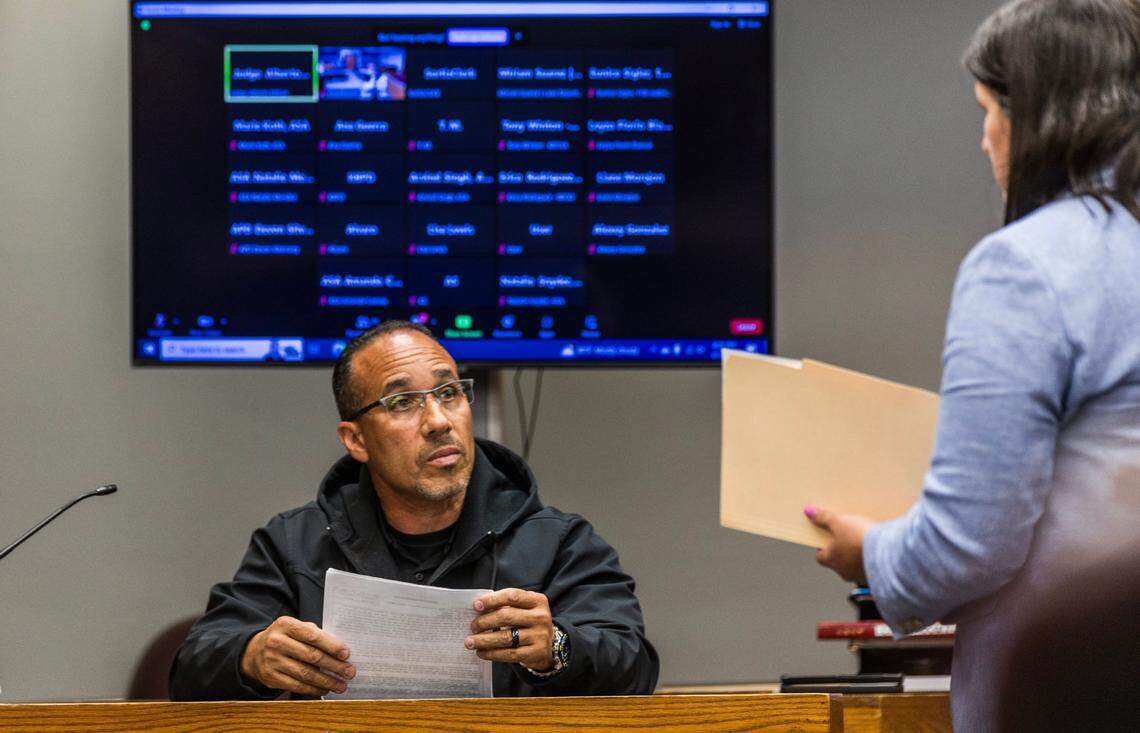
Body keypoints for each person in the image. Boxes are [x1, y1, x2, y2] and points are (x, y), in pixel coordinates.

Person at [805, 0, 1140, 729]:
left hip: (1069, 697)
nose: (984, 138)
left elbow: (970, 544)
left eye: (989, 110)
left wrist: (873, 554)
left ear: (1043, 116)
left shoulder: (1025, 266)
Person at [169, 321, 659, 699]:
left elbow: (635, 666)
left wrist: (558, 648)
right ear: (355, 439)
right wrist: (251, 656)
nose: (439, 421)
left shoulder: (559, 541)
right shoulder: (294, 543)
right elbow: (191, 668)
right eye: (403, 402)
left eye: (449, 393)